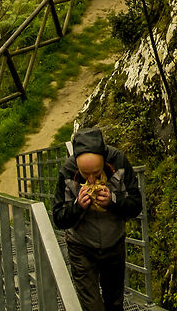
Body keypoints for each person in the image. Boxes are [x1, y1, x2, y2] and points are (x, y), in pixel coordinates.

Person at [49, 127, 141, 311]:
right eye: (85, 174)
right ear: (76, 164)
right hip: (81, 247)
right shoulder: (67, 170)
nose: (91, 180)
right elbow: (58, 218)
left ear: (104, 160)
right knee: (92, 307)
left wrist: (113, 201)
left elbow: (136, 205)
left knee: (114, 303)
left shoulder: (119, 161)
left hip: (114, 244)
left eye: (96, 173)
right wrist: (77, 206)